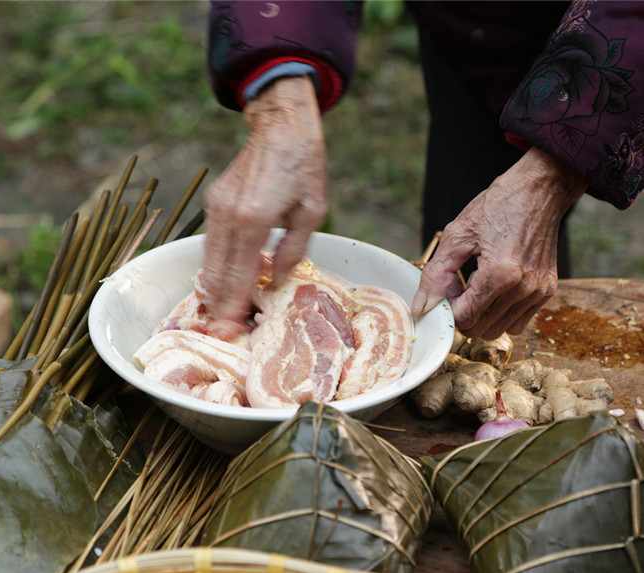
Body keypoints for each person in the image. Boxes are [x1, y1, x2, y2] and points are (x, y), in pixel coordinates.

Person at [202, 1, 644, 340]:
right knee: (467, 266)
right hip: (469, 24)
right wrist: (282, 94)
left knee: (512, 256)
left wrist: (554, 173)